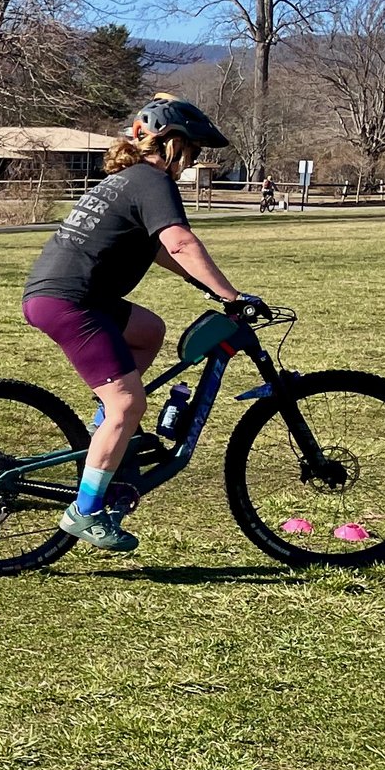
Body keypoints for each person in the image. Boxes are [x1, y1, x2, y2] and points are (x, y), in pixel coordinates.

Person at [21, 94, 260, 555]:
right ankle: (86, 511)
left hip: (67, 296)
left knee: (149, 332)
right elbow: (180, 242)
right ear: (173, 145)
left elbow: (156, 250)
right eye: (193, 151)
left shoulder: (126, 179)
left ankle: (106, 439)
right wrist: (232, 297)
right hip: (72, 302)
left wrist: (211, 289)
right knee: (128, 404)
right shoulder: (152, 180)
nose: (194, 161)